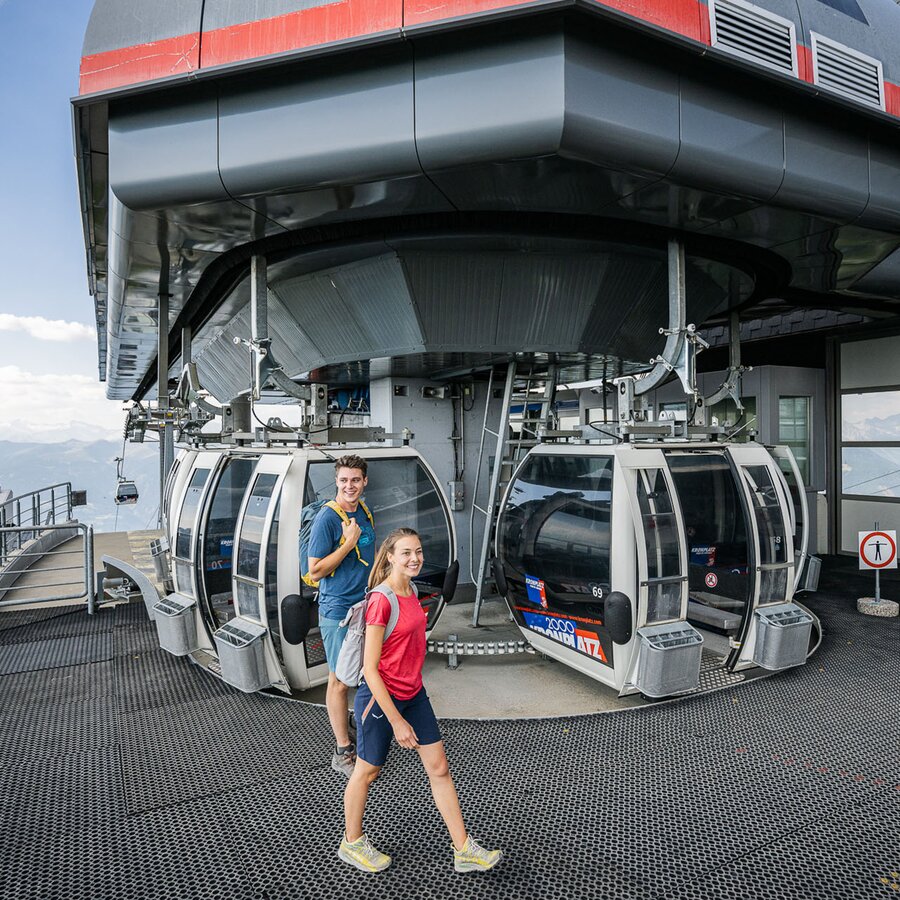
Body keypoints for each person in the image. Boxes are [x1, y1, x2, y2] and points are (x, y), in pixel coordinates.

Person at [338, 528, 502, 874]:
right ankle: (352, 842)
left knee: (439, 768)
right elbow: (370, 669)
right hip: (382, 699)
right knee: (367, 771)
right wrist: (396, 720)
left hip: (414, 694)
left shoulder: (411, 589)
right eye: (407, 553)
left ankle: (464, 849)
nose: (415, 558)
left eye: (419, 551)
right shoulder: (382, 600)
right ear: (391, 557)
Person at [307, 454, 376, 777]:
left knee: (362, 672)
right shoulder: (327, 519)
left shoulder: (363, 511)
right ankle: (342, 750)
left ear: (364, 482)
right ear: (336, 481)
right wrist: (347, 544)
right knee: (339, 680)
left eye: (356, 480)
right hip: (338, 610)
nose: (350, 486)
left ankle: (350, 724)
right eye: (344, 480)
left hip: (364, 605)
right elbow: (316, 570)